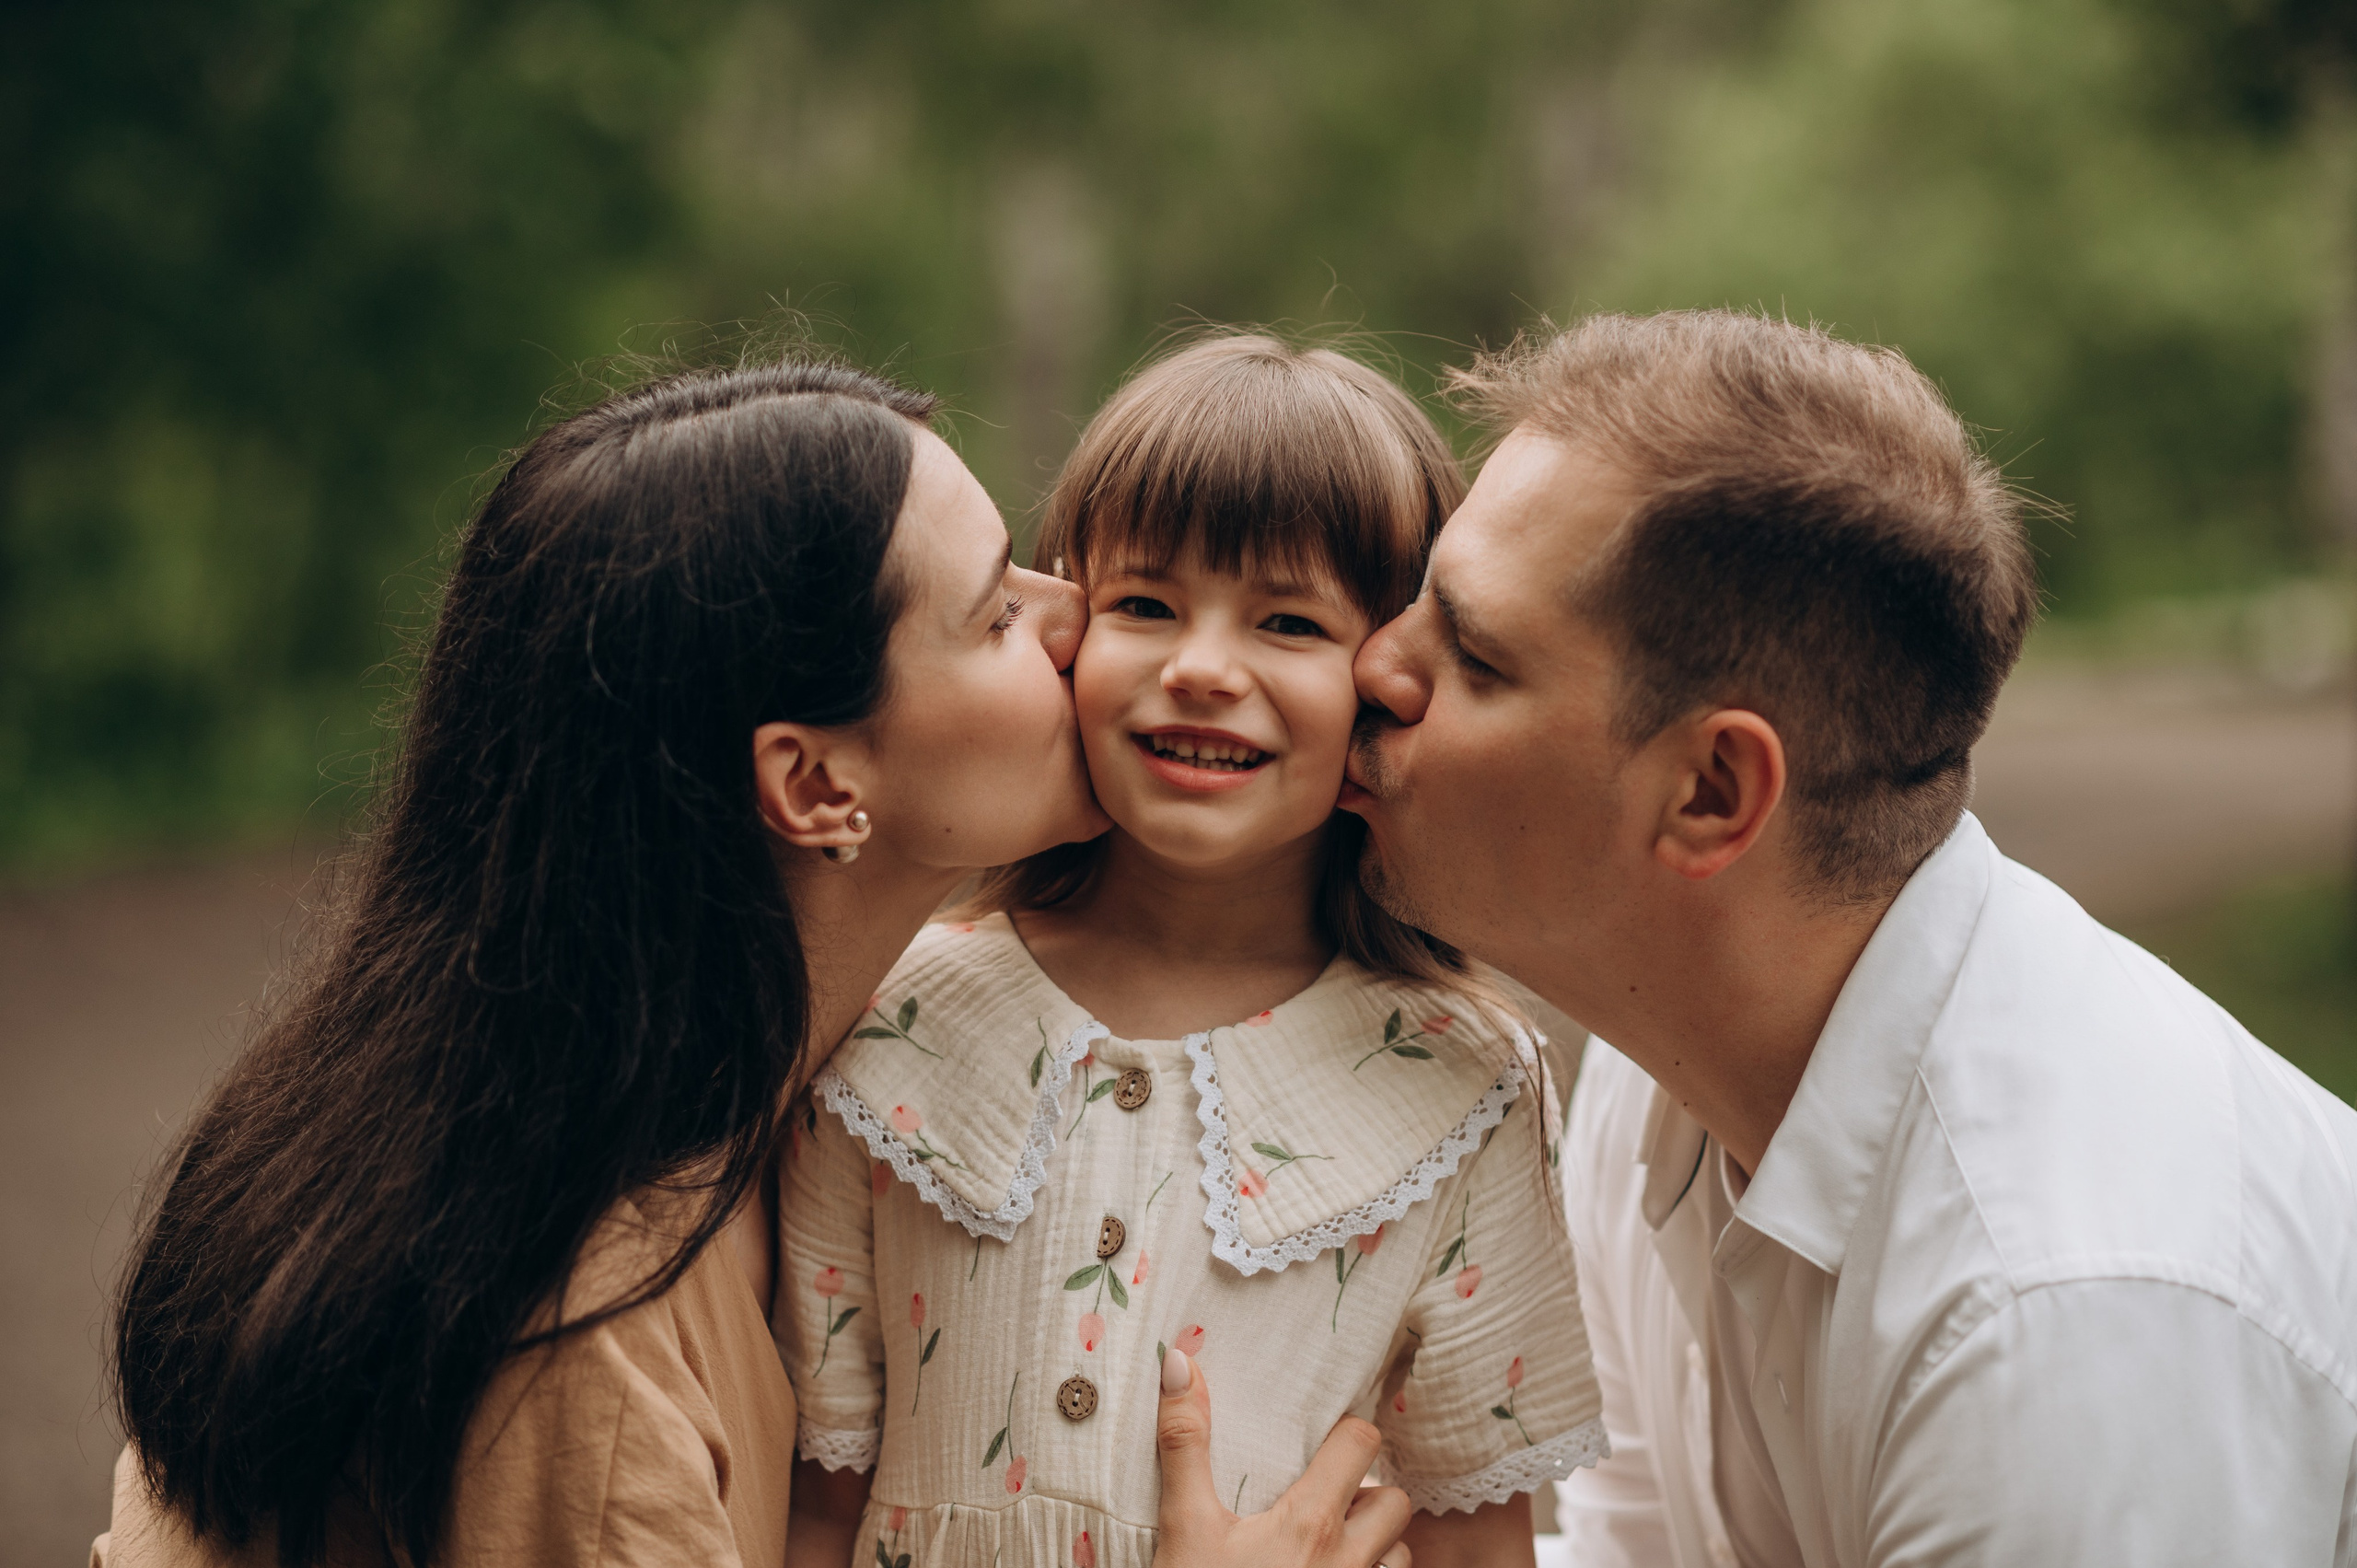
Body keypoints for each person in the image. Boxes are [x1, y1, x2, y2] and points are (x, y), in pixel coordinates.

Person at [94, 354, 1414, 1568]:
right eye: (997, 610)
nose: (1084, 618)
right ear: (817, 783)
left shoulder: (684, 1123)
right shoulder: (580, 1352)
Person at [1341, 310, 2357, 1565]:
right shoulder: (1661, 1076)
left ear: (1712, 793)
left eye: (1475, 654)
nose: (1374, 665)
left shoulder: (2053, 1323)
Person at [775, 335, 1605, 1568]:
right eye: (1146, 606)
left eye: (1287, 622)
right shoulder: (893, 1021)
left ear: (1389, 673)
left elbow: (1475, 1540)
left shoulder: (1464, 1084)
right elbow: (814, 1510)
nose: (1202, 669)